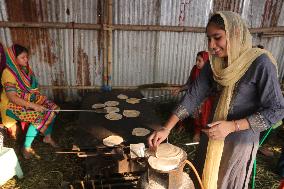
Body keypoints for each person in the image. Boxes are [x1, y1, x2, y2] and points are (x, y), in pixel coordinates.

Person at [148, 11, 284, 189]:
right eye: (209, 39)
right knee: (204, 177)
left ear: (235, 34)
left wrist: (232, 126)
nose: (211, 45)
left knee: (226, 182)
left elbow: (276, 109)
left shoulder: (260, 63)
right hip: (213, 134)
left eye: (217, 37)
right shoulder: (215, 64)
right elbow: (193, 96)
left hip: (239, 140)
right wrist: (167, 128)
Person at [0, 44, 60, 159]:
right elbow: (12, 97)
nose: (26, 60)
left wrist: (36, 101)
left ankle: (47, 137)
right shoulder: (8, 73)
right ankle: (26, 146)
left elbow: (31, 88)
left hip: (28, 98)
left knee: (53, 108)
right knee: (38, 117)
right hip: (12, 104)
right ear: (14, 58)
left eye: (27, 57)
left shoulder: (24, 69)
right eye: (23, 57)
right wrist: (34, 105)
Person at [172, 51, 214, 142]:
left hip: (205, 97)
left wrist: (201, 100)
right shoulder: (195, 69)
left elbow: (210, 90)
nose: (197, 63)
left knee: (200, 109)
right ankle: (181, 125)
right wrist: (180, 89)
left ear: (206, 61)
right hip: (193, 95)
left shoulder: (211, 72)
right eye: (196, 60)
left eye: (200, 61)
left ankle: (198, 131)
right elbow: (189, 84)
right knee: (181, 104)